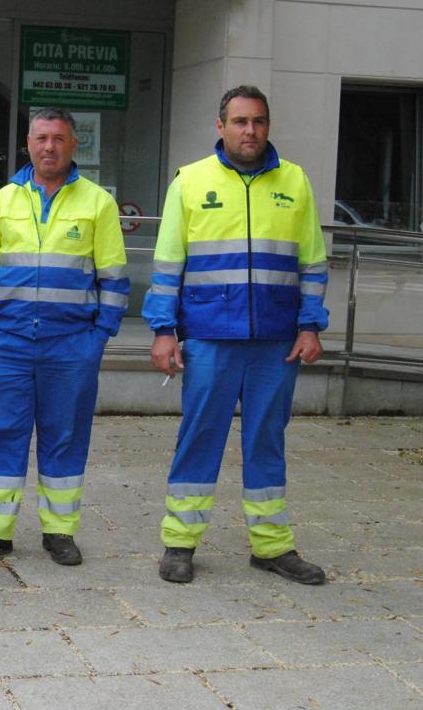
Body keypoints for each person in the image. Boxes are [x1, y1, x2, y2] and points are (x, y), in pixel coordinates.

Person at [143, 85, 329, 586]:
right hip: (209, 337)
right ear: (220, 126)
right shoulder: (189, 181)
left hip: (277, 339)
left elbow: (312, 262)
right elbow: (167, 266)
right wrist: (164, 331)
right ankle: (180, 542)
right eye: (241, 122)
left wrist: (311, 325)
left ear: (268, 126)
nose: (251, 131)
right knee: (199, 437)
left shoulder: (295, 181)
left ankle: (271, 546)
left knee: (267, 439)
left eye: (260, 122)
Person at [0, 109, 129, 567]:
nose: (49, 147)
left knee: (65, 435)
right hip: (4, 342)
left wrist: (99, 336)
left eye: (59, 139)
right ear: (28, 144)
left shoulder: (97, 203)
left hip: (71, 345)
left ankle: (60, 532)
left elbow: (114, 277)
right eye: (41, 138)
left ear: (74, 146)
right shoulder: (5, 200)